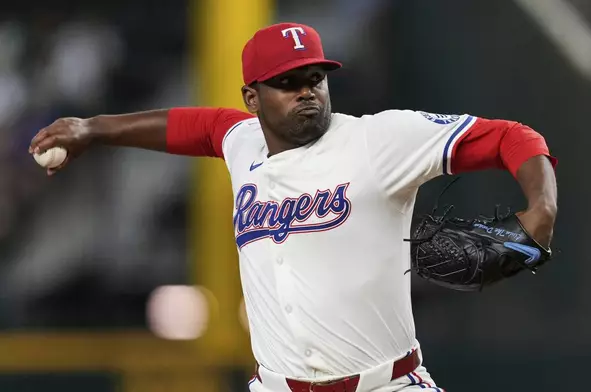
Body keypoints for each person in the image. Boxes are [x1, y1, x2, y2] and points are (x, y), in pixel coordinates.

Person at [29, 22, 558, 392]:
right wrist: (91, 129)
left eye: (314, 78)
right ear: (252, 98)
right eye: (287, 83)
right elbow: (197, 127)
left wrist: (541, 213)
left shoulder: (379, 140)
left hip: (384, 386)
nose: (307, 92)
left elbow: (513, 137)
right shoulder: (242, 142)